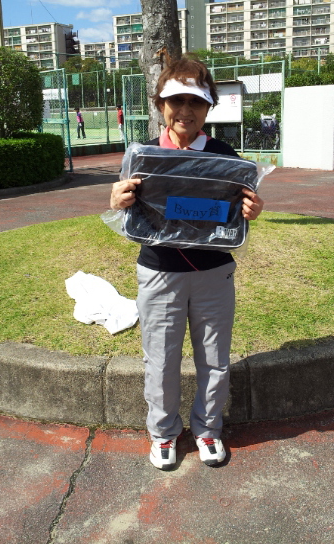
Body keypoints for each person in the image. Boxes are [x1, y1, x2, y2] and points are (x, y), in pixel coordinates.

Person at [110, 57, 264, 471]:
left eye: (195, 101)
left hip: (213, 274)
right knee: (160, 359)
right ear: (160, 105)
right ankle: (163, 433)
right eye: (175, 100)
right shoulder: (144, 156)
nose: (185, 110)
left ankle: (208, 429)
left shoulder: (224, 156)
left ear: (209, 107)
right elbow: (131, 213)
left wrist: (252, 210)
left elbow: (234, 213)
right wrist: (117, 199)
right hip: (159, 272)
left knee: (215, 358)